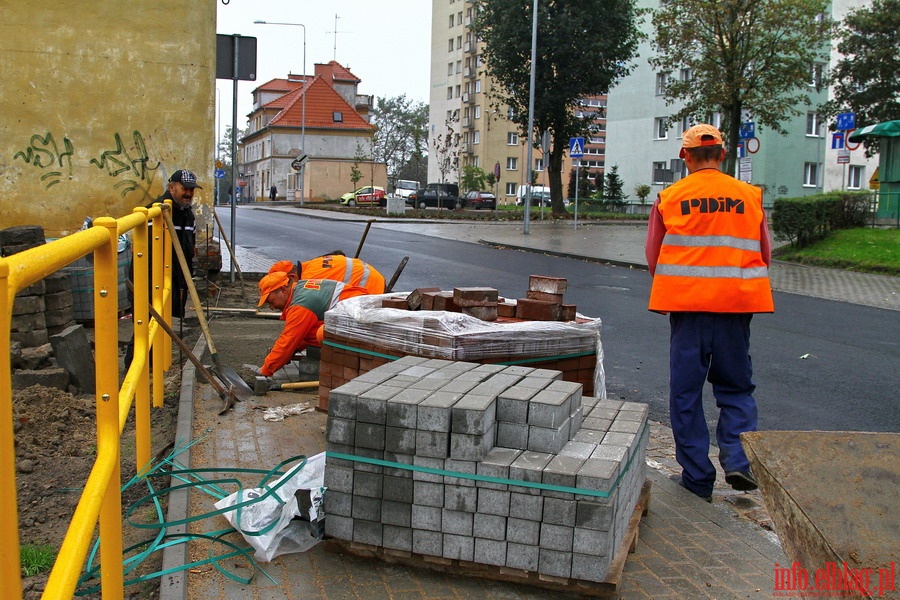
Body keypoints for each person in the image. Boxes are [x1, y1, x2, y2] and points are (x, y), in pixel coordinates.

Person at [645, 124, 774, 502]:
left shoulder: (669, 197)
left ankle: (698, 478)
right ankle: (737, 460)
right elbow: (764, 254)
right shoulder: (749, 196)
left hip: (688, 309)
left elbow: (654, 258)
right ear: (721, 154)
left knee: (685, 393)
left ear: (684, 157)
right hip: (735, 307)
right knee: (735, 388)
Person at [124, 168, 201, 369]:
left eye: (192, 190)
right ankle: (136, 367)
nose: (189, 194)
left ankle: (154, 365)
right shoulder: (156, 212)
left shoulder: (187, 214)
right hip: (150, 280)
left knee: (161, 323)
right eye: (185, 189)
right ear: (172, 187)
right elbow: (149, 254)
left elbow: (187, 248)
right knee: (146, 325)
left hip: (172, 278)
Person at [256, 271, 369, 377]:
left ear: (283, 290)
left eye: (271, 301)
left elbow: (289, 339)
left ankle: (349, 364)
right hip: (360, 310)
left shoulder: (300, 305)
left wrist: (266, 370)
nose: (271, 307)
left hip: (363, 322)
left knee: (319, 334)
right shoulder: (301, 287)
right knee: (307, 330)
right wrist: (293, 350)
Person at [268, 253, 386, 295]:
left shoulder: (309, 280)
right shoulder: (310, 265)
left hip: (371, 290)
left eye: (286, 285)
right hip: (375, 280)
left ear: (292, 277)